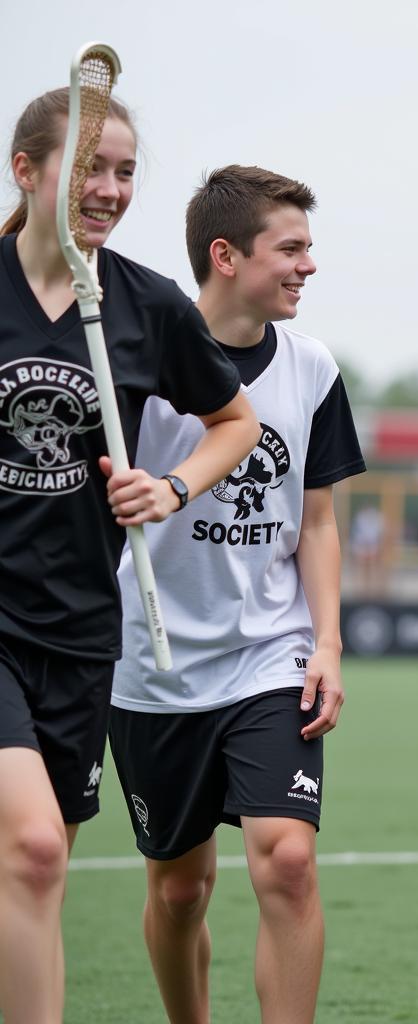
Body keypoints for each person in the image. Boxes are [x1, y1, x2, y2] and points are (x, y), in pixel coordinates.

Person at [0, 90, 258, 1023]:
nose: (109, 190)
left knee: (41, 869)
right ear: (26, 171)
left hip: (78, 631)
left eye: (123, 172)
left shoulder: (145, 305)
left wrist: (171, 487)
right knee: (29, 850)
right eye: (88, 170)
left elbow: (235, 421)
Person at [107, 165, 365, 1023]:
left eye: (308, 248)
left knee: (286, 860)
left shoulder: (312, 368)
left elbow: (318, 523)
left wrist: (326, 644)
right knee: (180, 892)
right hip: (153, 664)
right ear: (226, 255)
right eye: (290, 249)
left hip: (271, 652)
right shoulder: (131, 361)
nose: (309, 266)